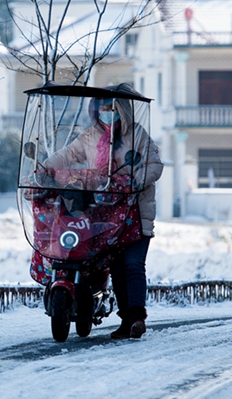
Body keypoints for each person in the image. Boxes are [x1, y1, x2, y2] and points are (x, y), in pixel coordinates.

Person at [43, 83, 163, 338]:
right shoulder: (90, 136)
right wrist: (43, 169)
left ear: (123, 110)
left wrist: (136, 180)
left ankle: (137, 317)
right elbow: (67, 155)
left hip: (135, 214)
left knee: (132, 265)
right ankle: (124, 320)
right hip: (105, 214)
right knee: (116, 268)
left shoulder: (138, 136)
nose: (107, 113)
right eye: (102, 109)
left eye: (112, 108)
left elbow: (155, 165)